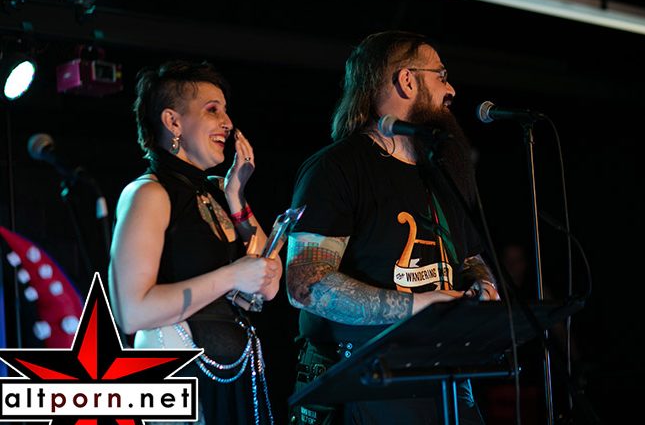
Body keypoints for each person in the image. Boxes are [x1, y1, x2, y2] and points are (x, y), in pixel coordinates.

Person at [285, 30, 500, 424]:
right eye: (441, 75)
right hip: (366, 378)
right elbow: (306, 284)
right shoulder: (337, 167)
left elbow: (470, 257)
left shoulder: (445, 171)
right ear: (407, 80)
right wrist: (419, 305)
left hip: (445, 374)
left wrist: (484, 287)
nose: (451, 89)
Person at [108, 60, 282, 424]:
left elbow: (269, 284)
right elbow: (131, 312)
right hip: (177, 379)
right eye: (212, 110)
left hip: (228, 378)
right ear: (173, 122)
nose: (228, 123)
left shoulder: (217, 192)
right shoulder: (148, 193)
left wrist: (236, 197)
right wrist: (232, 276)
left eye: (226, 110)